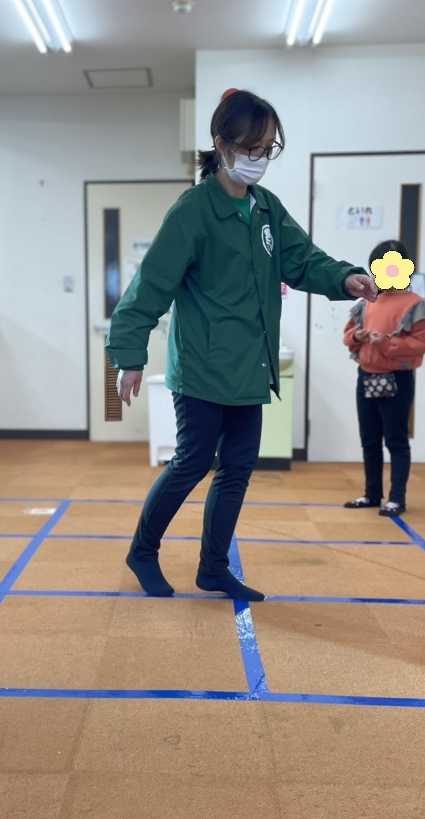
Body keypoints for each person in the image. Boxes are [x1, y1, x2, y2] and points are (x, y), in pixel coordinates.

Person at [107, 88, 379, 601]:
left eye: (267, 148)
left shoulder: (266, 208)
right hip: (202, 367)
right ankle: (143, 551)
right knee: (192, 462)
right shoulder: (193, 211)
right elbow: (150, 286)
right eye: (251, 148)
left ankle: (213, 568)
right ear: (221, 143)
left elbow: (303, 259)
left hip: (251, 367)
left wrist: (345, 277)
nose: (258, 158)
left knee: (236, 470)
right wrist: (129, 356)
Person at [342, 240, 425, 516]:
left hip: (397, 380)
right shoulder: (367, 302)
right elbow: (348, 336)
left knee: (395, 441)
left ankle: (397, 499)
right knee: (369, 440)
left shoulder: (415, 305)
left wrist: (385, 343)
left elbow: (420, 345)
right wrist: (358, 336)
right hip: (366, 377)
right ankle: (372, 494)